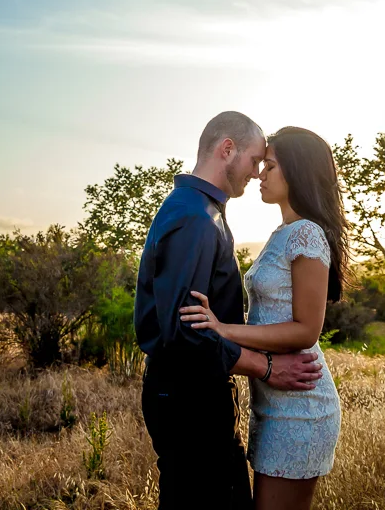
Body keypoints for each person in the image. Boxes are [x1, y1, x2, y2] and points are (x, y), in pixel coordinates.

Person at [135, 112, 324, 510]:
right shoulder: (194, 218)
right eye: (256, 161)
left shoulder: (204, 211)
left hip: (196, 393)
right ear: (227, 150)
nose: (257, 173)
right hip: (187, 397)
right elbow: (184, 331)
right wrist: (266, 367)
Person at [181, 126, 348, 510]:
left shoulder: (306, 233)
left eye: (269, 165)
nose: (259, 173)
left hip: (300, 409)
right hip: (273, 404)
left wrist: (222, 329)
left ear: (298, 172)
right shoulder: (283, 232)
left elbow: (307, 330)